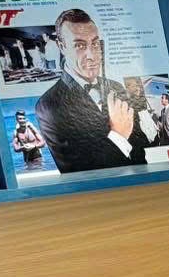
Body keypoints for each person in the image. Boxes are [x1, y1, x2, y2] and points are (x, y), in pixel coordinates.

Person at [35, 9, 158, 173]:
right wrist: (118, 135)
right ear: (61, 47)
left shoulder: (116, 87)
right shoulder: (49, 106)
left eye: (94, 44)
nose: (91, 55)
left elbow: (139, 147)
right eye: (79, 45)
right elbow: (78, 171)